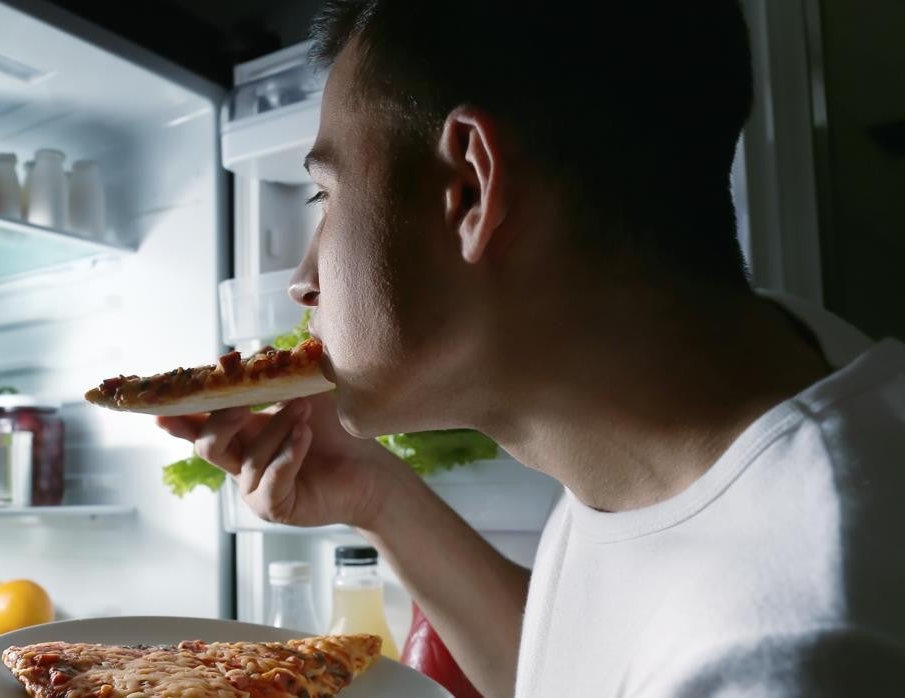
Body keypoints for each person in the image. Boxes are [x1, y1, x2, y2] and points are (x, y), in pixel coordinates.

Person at [159, 1, 905, 695]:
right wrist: (373, 494)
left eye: (326, 196)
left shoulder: (789, 653)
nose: (301, 282)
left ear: (472, 188)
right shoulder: (752, 380)